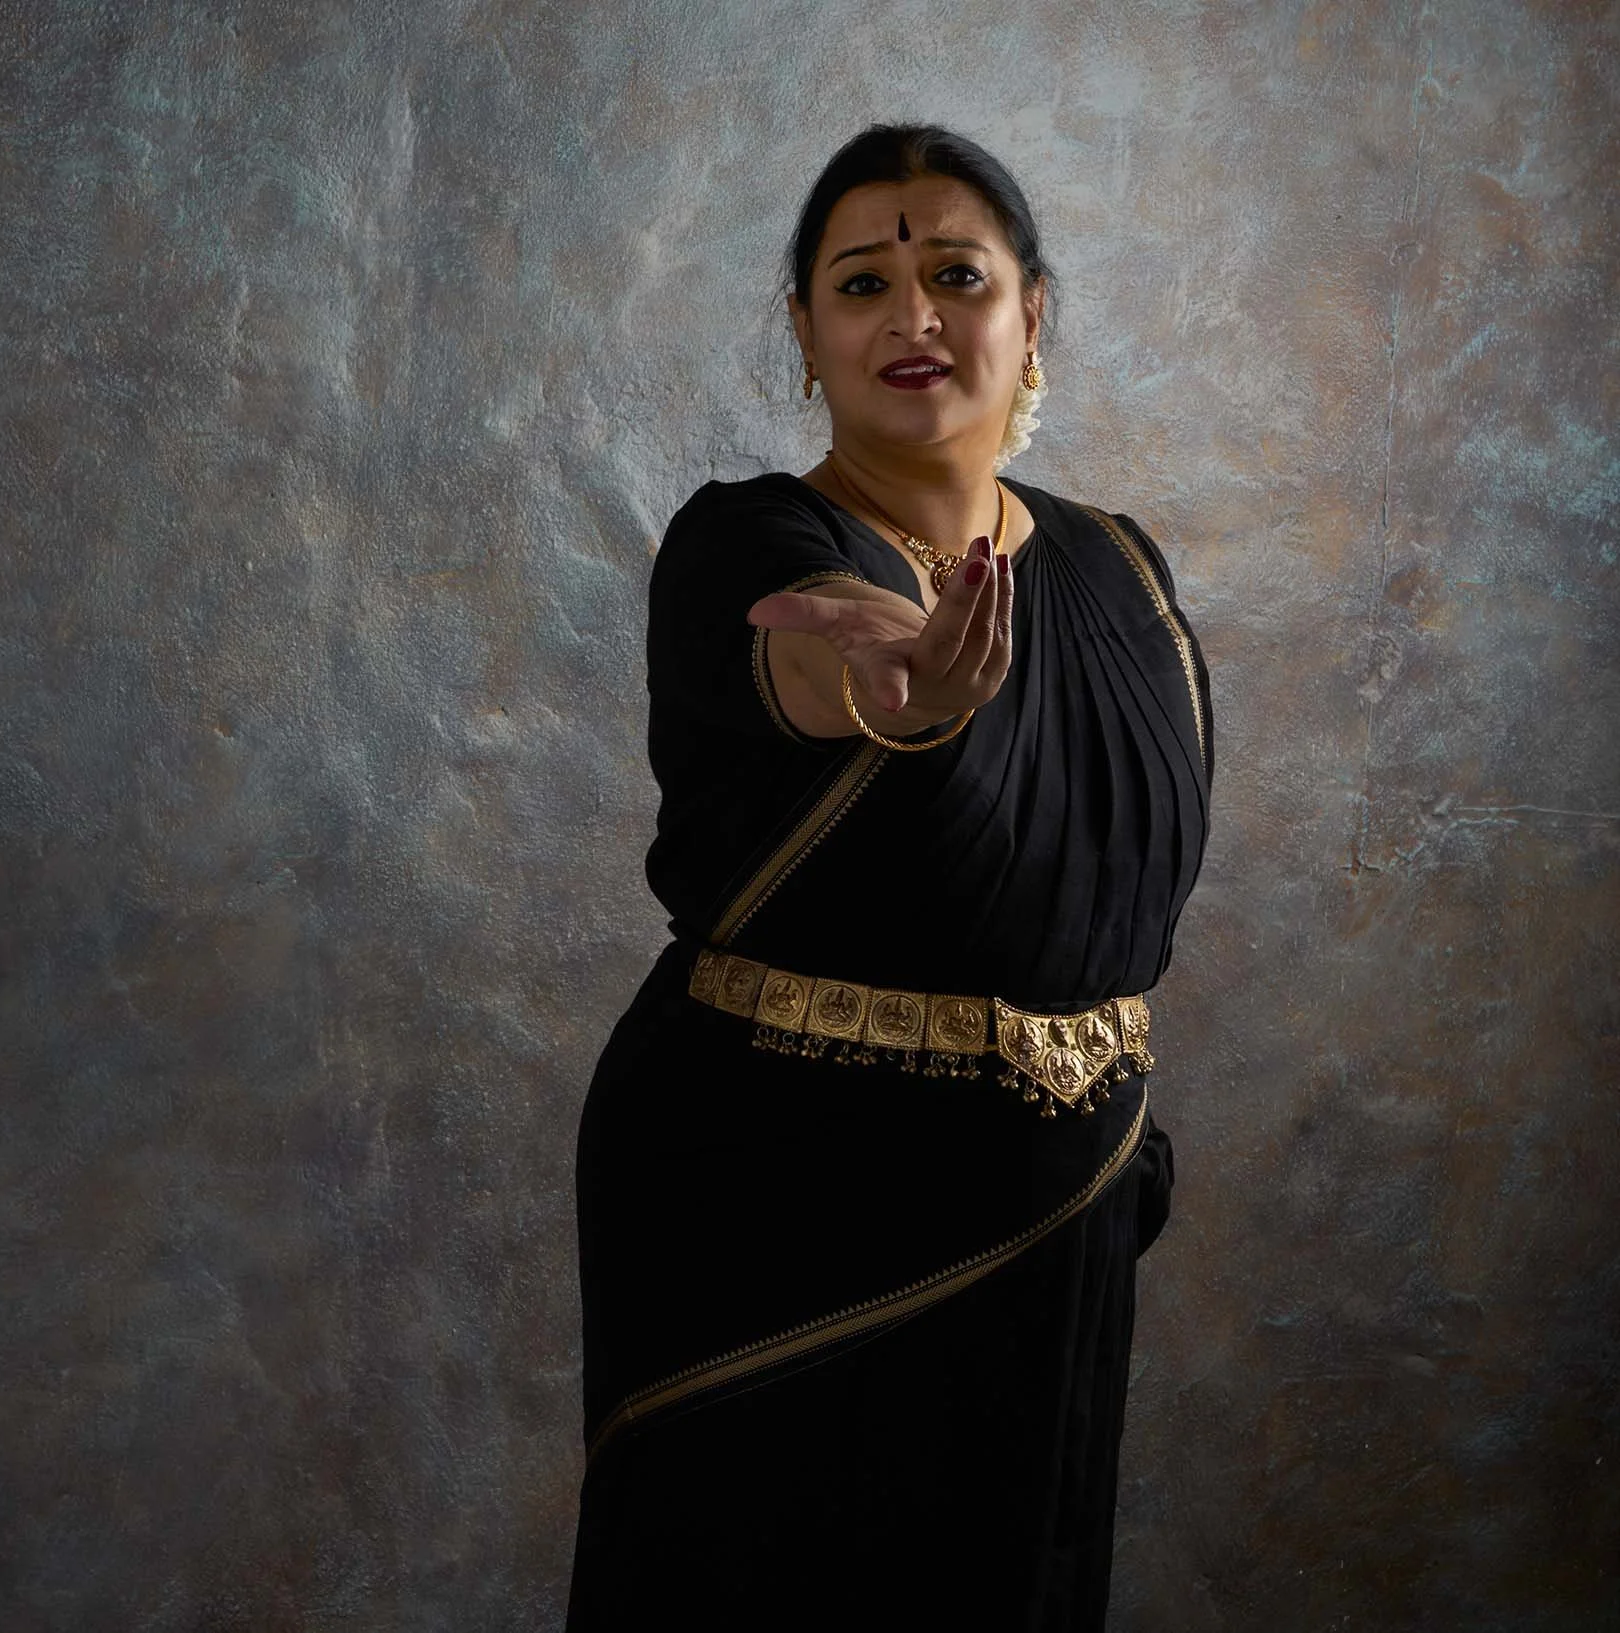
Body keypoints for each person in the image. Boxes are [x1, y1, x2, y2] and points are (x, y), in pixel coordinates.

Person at [566, 123, 1214, 1629]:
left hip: (1056, 1221)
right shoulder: (748, 543)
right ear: (804, 329)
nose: (912, 315)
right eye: (861, 282)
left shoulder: (1122, 570)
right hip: (786, 1213)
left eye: (956, 276)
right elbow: (808, 651)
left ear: (1032, 312)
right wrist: (895, 691)